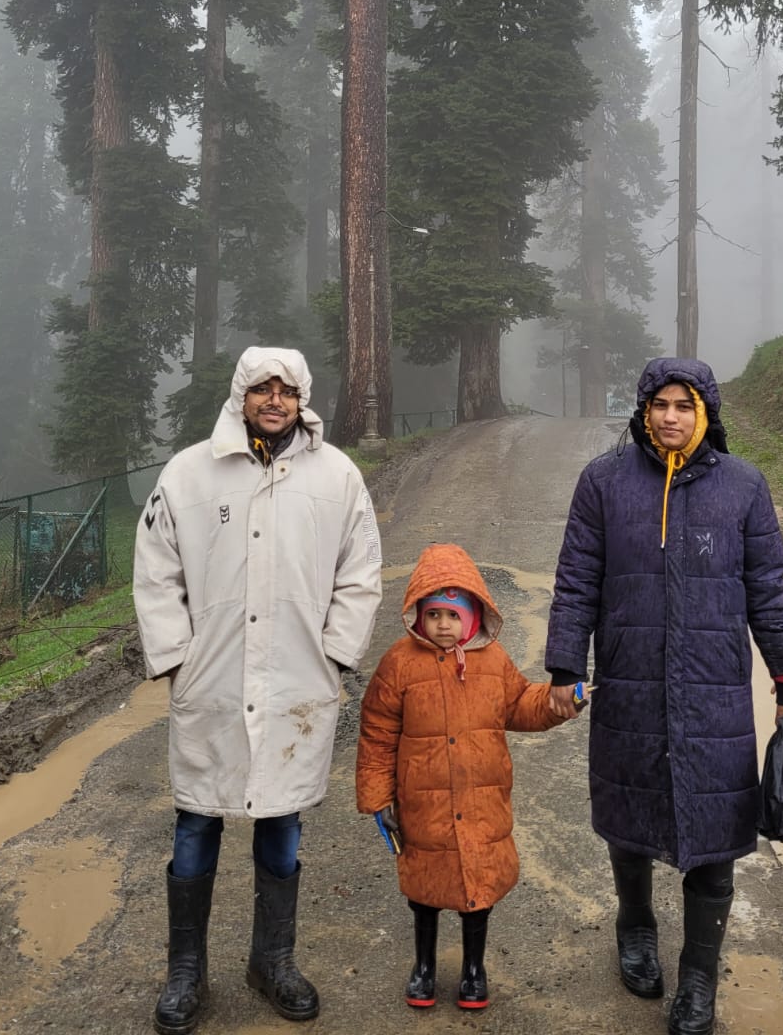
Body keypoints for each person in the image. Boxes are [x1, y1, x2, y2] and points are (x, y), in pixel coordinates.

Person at [545, 358, 783, 1035]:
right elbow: (577, 580)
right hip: (629, 683)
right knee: (628, 816)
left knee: (717, 833)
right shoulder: (603, 482)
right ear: (643, 409)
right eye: (660, 404)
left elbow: (768, 590)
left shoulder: (744, 486)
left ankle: (698, 975)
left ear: (705, 413)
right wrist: (565, 666)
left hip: (714, 690)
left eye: (684, 406)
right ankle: (635, 927)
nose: (670, 417)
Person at [134, 346, 383, 1033]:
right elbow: (156, 570)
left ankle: (272, 960)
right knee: (196, 821)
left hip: (296, 681)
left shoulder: (337, 477)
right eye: (262, 389)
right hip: (211, 679)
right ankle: (186, 971)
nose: (275, 401)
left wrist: (334, 655)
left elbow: (360, 571)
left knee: (282, 820)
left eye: (287, 390)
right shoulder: (189, 473)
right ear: (240, 395)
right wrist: (178, 658)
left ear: (303, 399)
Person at [356, 542, 568, 1012]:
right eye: (433, 614)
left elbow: (521, 705)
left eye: (453, 615)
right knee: (425, 889)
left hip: (481, 802)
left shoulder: (493, 661)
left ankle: (474, 968)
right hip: (423, 804)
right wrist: (377, 798)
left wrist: (559, 702)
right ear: (419, 615)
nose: (443, 625)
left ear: (473, 615)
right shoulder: (399, 664)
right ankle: (424, 967)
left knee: (480, 887)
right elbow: (377, 733)